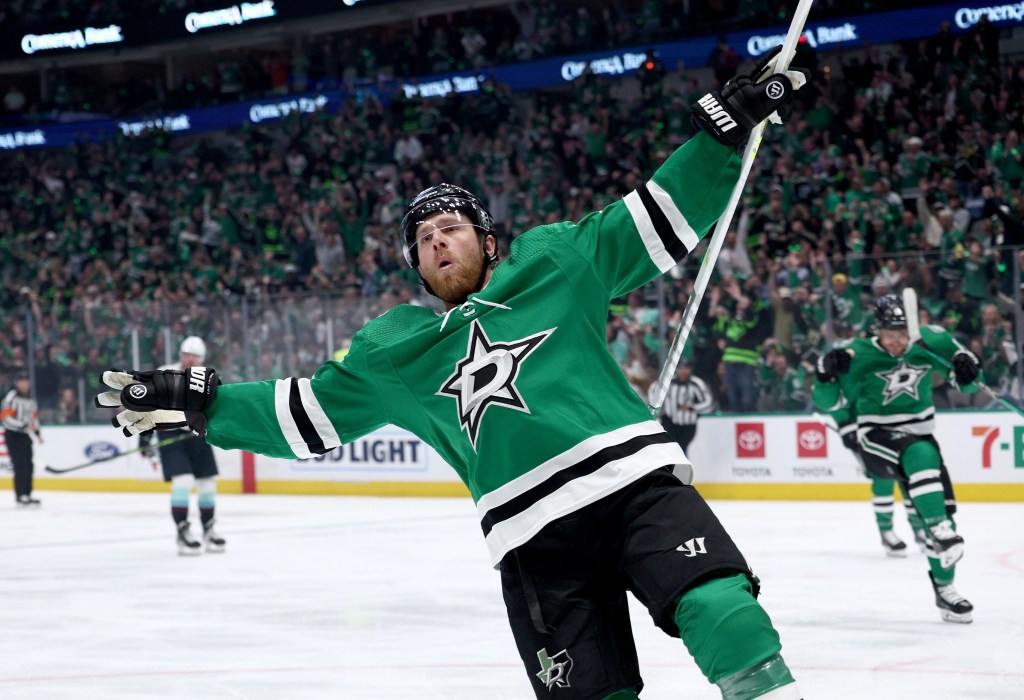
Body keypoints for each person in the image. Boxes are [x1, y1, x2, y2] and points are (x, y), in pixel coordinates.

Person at [97, 51, 807, 699]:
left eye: (452, 228)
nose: (438, 241)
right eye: (424, 240)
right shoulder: (393, 350)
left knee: (724, 611)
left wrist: (725, 130)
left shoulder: (556, 261)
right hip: (533, 541)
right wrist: (199, 399)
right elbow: (304, 415)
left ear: (487, 239)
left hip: (632, 488)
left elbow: (661, 216)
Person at [813, 294, 981, 624]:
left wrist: (967, 364)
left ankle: (946, 591)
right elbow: (828, 403)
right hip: (875, 436)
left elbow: (967, 378)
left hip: (921, 436)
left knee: (945, 509)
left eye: (903, 334)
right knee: (919, 455)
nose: (897, 343)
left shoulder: (929, 339)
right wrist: (824, 374)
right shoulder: (857, 352)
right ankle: (933, 529)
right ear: (878, 330)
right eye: (890, 335)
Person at [140, 336, 226, 555]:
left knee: (207, 485)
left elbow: (216, 409)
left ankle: (208, 529)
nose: (190, 360)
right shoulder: (165, 373)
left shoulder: (209, 379)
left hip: (197, 435)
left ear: (202, 359)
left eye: (195, 356)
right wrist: (145, 435)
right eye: (187, 355)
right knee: (183, 482)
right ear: (181, 355)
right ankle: (183, 532)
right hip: (170, 436)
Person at [653, 359, 713, 454]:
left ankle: (683, 467)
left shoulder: (696, 383)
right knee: (669, 449)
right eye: (681, 368)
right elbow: (653, 391)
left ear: (690, 370)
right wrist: (659, 409)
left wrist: (692, 407)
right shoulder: (669, 381)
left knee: (682, 449)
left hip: (688, 425)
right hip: (670, 422)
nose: (683, 371)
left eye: (686, 369)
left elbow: (708, 403)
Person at [2, 374, 42, 508]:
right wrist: (24, 425)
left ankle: (27, 494)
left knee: (29, 465)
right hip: (13, 435)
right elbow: (6, 418)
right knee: (20, 466)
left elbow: (34, 417)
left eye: (27, 381)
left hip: (25, 436)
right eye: (22, 381)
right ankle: (21, 496)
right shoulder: (11, 397)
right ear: (17, 383)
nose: (25, 384)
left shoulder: (30, 399)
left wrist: (37, 433)